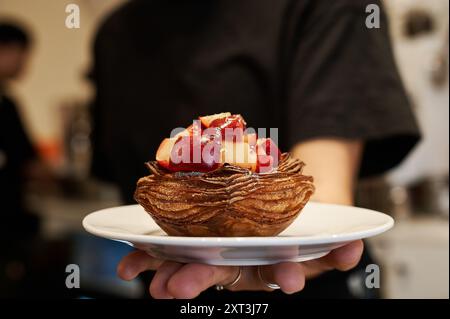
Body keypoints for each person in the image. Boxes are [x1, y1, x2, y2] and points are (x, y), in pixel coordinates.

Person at [90, 0, 419, 298]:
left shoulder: (332, 6)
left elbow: (323, 194)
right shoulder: (114, 34)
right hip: (166, 291)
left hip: (305, 288)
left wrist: (284, 249)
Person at [0, 22, 38, 236]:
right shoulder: (7, 106)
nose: (25, 63)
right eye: (23, 54)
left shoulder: (8, 103)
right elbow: (28, 163)